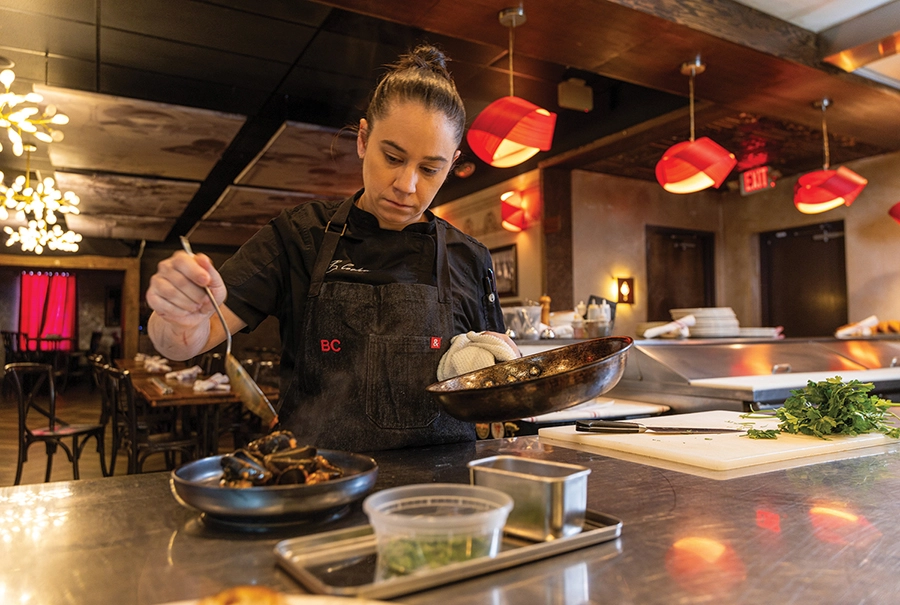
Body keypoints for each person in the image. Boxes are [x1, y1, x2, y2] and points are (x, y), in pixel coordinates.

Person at [146, 45, 513, 452]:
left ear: (453, 163)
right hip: (319, 480)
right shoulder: (298, 236)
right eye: (393, 157)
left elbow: (493, 382)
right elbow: (181, 343)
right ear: (363, 139)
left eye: (430, 169)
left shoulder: (470, 258)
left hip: (442, 486)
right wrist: (176, 315)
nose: (407, 185)